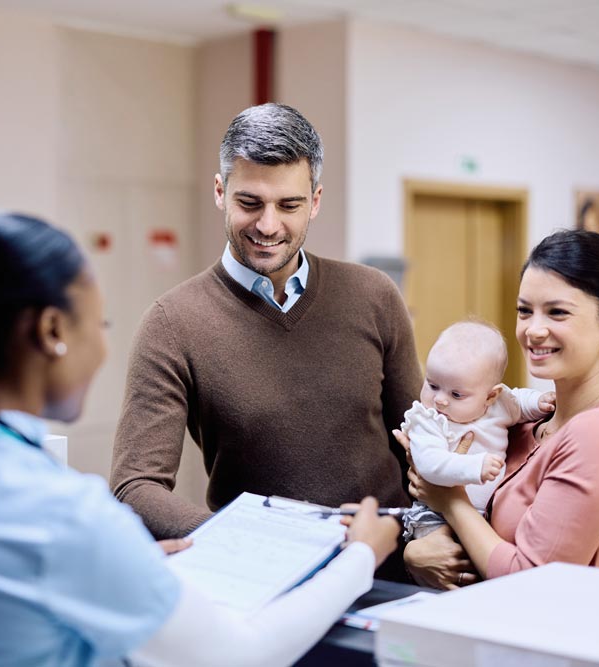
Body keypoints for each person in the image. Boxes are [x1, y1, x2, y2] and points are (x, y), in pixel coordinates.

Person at [0, 212, 402, 667]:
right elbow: (238, 655)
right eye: (99, 326)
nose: (103, 350)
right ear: (53, 331)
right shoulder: (63, 514)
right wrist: (358, 557)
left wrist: (123, 565)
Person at [109, 104, 422, 565]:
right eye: (249, 203)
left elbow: (420, 448)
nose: (268, 225)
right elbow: (135, 486)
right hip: (258, 577)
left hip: (386, 572)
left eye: (289, 205)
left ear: (315, 200)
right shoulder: (171, 324)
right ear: (221, 192)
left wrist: (423, 536)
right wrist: (245, 540)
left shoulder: (374, 296)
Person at [402, 229, 599, 589]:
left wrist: (449, 499)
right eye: (524, 311)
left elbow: (531, 579)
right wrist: (418, 551)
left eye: (557, 313)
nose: (533, 330)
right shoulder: (527, 423)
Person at [401, 320, 555, 540]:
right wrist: (474, 466)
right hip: (434, 515)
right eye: (433, 385)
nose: (440, 400)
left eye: (456, 394)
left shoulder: (499, 404)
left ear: (491, 396)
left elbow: (519, 401)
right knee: (442, 552)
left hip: (486, 515)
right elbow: (429, 463)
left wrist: (539, 402)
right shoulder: (429, 419)